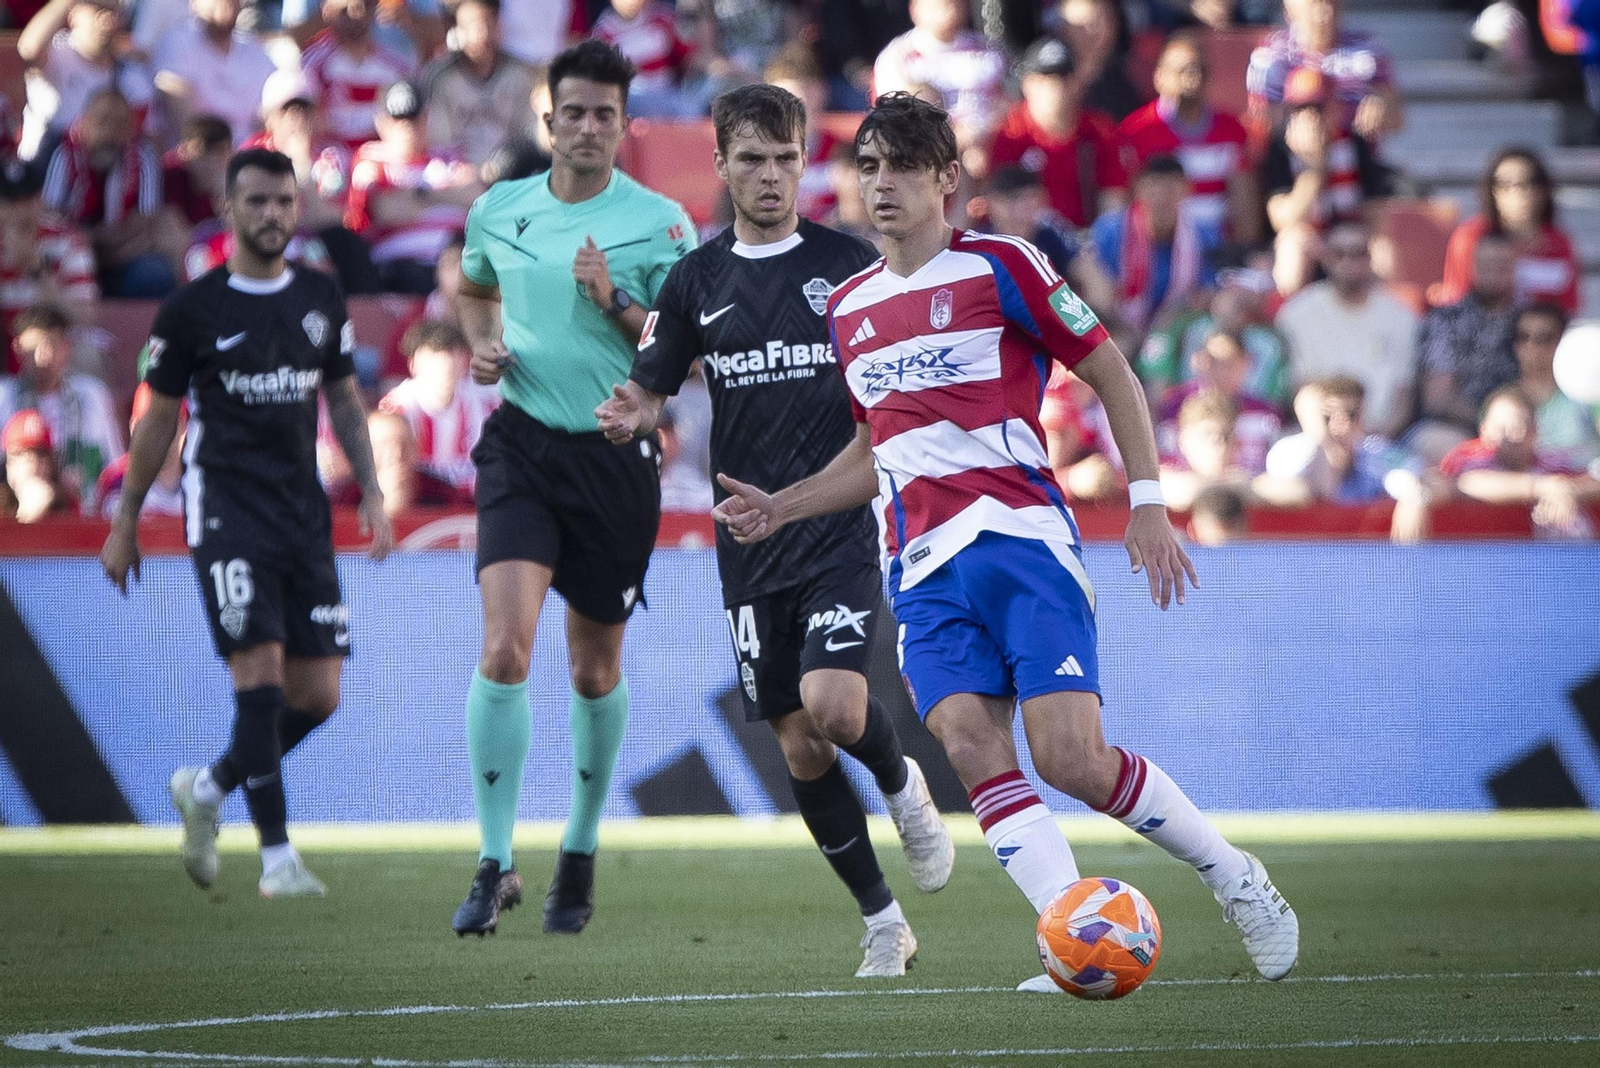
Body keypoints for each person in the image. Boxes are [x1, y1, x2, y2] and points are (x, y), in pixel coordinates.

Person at [712, 92, 1299, 990]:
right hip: (919, 566)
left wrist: (1148, 501)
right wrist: (784, 506)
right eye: (868, 167)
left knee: (1072, 761)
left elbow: (1110, 371)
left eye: (902, 167)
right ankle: (1075, 935)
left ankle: (1236, 877)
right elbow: (877, 450)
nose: (881, 184)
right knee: (968, 742)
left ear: (947, 178)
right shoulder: (851, 306)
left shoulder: (1002, 265)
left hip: (1017, 539)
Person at [595, 82, 955, 978]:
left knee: (836, 705)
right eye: (751, 159)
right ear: (720, 164)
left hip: (836, 519)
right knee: (797, 739)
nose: (769, 175)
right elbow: (652, 386)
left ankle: (901, 782)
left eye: (785, 158)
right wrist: (633, 411)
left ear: (804, 163)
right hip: (748, 542)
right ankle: (883, 921)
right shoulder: (696, 280)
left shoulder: (851, 265)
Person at [448, 40, 695, 938]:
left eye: (605, 114)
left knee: (593, 669)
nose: (589, 127)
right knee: (504, 650)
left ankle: (580, 848)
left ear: (625, 125)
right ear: (549, 119)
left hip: (614, 459)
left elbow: (686, 355)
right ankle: (493, 861)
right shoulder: (499, 209)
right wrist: (483, 342)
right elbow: (474, 289)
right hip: (521, 448)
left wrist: (615, 302)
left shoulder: (662, 224)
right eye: (575, 112)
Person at [99, 147, 394, 899]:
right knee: (258, 682)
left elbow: (342, 399)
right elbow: (158, 421)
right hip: (226, 512)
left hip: (302, 513)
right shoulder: (191, 309)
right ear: (228, 210)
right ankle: (277, 859)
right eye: (257, 201)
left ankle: (208, 787)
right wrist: (125, 519)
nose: (272, 215)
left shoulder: (321, 296)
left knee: (318, 696)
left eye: (284, 202)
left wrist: (371, 490)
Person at [1274, 221, 1416, 441]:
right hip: (1316, 434)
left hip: (1384, 437)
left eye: (1357, 253)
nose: (1348, 262)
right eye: (1339, 254)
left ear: (1370, 258)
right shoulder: (1297, 314)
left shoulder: (1401, 317)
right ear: (1326, 259)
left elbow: (1404, 394)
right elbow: (1298, 388)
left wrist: (1378, 438)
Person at [1117, 32, 1258, 242]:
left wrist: (1245, 248)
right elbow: (1129, 199)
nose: (1192, 77)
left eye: (1199, 69)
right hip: (1161, 247)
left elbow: (1245, 202)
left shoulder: (1232, 130)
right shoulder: (1136, 131)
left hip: (1218, 247)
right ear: (1159, 77)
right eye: (1182, 70)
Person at [42, 87, 182, 298]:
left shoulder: (144, 157)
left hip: (125, 258)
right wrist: (87, 243)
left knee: (155, 274)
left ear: (131, 128)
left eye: (119, 123)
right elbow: (51, 218)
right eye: (102, 121)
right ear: (85, 123)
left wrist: (95, 241)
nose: (109, 132)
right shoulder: (64, 155)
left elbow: (145, 223)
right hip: (75, 253)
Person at [345, 81, 482, 293]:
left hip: (455, 259)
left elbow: (476, 196)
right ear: (382, 123)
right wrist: (445, 196)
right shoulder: (372, 157)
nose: (407, 128)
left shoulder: (448, 156)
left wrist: (418, 195)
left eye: (413, 119)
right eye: (398, 120)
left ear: (425, 118)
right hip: (401, 264)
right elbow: (387, 210)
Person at [1261, 67, 1388, 297]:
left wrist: (1355, 240)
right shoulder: (1279, 149)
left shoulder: (1355, 144)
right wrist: (1315, 169)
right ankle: (1289, 314)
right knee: (1292, 250)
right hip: (1308, 239)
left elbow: (1375, 213)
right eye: (1300, 108)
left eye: (1317, 108)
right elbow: (1283, 220)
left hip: (1350, 235)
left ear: (1334, 108)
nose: (1309, 117)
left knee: (1383, 253)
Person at [988, 36, 1126, 229]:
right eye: (1046, 80)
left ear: (1077, 82)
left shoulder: (1099, 131)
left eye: (1064, 78)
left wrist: (1099, 239)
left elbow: (1112, 202)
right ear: (1027, 84)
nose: (1056, 89)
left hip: (1085, 237)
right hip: (1028, 236)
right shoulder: (1010, 134)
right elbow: (1001, 204)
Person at [0, 302, 122, 509]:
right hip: (17, 513)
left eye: (53, 345)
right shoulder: (4, 396)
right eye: (34, 347)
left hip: (85, 513)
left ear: (67, 347)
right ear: (18, 348)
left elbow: (113, 466)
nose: (44, 356)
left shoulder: (92, 396)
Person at [1413, 233, 1521, 460]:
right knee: (1433, 443)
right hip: (1458, 428)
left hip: (1520, 428)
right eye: (1486, 264)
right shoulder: (1446, 320)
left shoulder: (1527, 322)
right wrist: (1492, 423)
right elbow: (1438, 400)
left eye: (1502, 264)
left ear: (1514, 267)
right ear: (1472, 267)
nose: (1494, 272)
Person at [1440, 385, 1600, 538]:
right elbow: (1464, 483)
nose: (1509, 436)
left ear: (1535, 431)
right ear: (1484, 430)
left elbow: (1591, 483)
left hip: (1535, 553)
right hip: (1473, 548)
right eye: (1500, 428)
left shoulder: (1551, 463)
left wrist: (1566, 491)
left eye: (1518, 427)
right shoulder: (1468, 456)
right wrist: (1542, 487)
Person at [1437, 147, 1580, 316]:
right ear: (1491, 190)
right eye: (1505, 183)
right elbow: (1457, 301)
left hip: (1543, 331)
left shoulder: (1559, 242)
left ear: (1544, 189)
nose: (1519, 192)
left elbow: (1569, 308)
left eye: (1530, 181)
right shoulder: (1472, 237)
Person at [1090, 154, 1221, 335]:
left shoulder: (1204, 234)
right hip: (1117, 329)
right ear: (1138, 189)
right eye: (1154, 185)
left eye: (1171, 187)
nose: (1162, 196)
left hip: (1177, 330)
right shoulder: (1109, 231)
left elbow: (1209, 291)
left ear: (1187, 189)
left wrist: (1180, 314)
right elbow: (1097, 292)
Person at [17, 0, 155, 162]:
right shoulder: (56, 54)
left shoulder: (130, 74)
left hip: (105, 167)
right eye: (98, 10)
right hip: (44, 165)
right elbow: (29, 50)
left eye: (113, 12)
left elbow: (148, 137)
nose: (107, 20)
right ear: (73, 14)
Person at [1246, 0, 1402, 140]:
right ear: (1289, 11)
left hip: (1357, 146)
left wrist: (1381, 106)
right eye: (1314, 4)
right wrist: (1300, 117)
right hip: (1291, 148)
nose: (1325, 12)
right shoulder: (1272, 55)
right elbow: (1260, 119)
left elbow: (1397, 117)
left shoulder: (1366, 49)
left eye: (1331, 3)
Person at [379, 317, 496, 490]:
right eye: (434, 356)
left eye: (452, 353)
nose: (444, 362)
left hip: (467, 501)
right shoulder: (396, 408)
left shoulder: (483, 404)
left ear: (465, 361)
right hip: (419, 500)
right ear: (413, 365)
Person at [871, 0, 1006, 148]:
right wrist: (951, 139)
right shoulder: (897, 57)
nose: (948, 11)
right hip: (925, 146)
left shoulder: (987, 50)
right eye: (937, 6)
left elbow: (1006, 104)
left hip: (990, 144)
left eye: (953, 4)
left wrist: (979, 135)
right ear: (915, 10)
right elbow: (896, 116)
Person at [420, 0, 538, 167]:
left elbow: (531, 135)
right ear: (456, 28)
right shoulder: (440, 78)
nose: (481, 34)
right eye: (470, 25)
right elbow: (438, 141)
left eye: (487, 23)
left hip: (512, 171)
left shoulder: (521, 75)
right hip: (455, 173)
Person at [0, 157, 97, 356]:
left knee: (88, 355)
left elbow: (82, 319)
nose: (20, 212)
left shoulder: (67, 241)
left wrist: (35, 269)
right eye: (10, 203)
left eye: (27, 200)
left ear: (40, 200)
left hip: (51, 348)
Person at [152, 0, 278, 146]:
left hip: (249, 154)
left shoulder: (257, 54)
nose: (226, 3)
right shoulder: (178, 42)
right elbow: (188, 128)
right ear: (194, 3)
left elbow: (271, 115)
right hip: (199, 153)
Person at [1155, 328, 1281, 474]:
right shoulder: (1173, 405)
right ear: (1197, 361)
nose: (1220, 371)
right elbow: (1163, 465)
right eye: (1212, 361)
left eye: (1228, 363)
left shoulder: (1263, 412)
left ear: (1245, 363)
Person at [300, 0, 416, 151]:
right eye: (344, 10)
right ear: (327, 11)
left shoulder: (396, 67)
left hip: (378, 156)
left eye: (363, 7)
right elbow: (306, 118)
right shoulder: (313, 64)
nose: (355, 15)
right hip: (329, 155)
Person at [332, 408, 472, 514]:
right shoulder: (347, 500)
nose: (396, 455)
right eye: (384, 445)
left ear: (416, 448)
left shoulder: (445, 495)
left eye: (404, 444)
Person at [1512, 303, 1600, 466]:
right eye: (1523, 337)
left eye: (1543, 339)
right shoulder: (1501, 399)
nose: (1531, 346)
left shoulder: (1589, 394)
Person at [96, 381, 187, 520]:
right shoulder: (115, 482)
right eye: (150, 427)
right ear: (133, 429)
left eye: (168, 424)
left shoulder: (202, 480)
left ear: (184, 427)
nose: (160, 436)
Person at [2, 407, 75, 520]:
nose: (33, 464)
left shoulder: (68, 505)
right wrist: (27, 514)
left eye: (40, 454)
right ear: (8, 464)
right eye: (21, 454)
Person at [162, 114, 233, 228]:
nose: (211, 161)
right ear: (182, 150)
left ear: (231, 154)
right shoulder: (167, 179)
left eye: (220, 152)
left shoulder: (237, 185)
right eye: (201, 151)